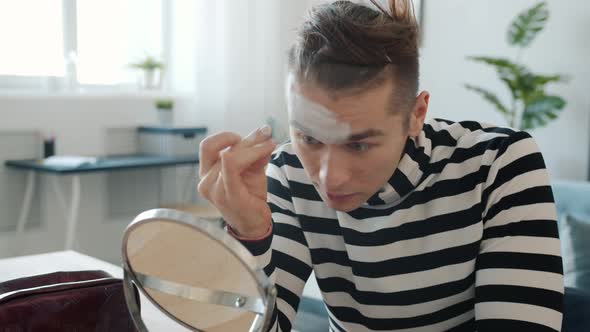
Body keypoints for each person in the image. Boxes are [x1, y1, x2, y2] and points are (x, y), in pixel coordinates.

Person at [197, 0, 564, 331]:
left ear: (416, 114)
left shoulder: (499, 165)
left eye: (358, 144)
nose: (329, 178)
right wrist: (248, 235)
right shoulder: (289, 171)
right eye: (309, 138)